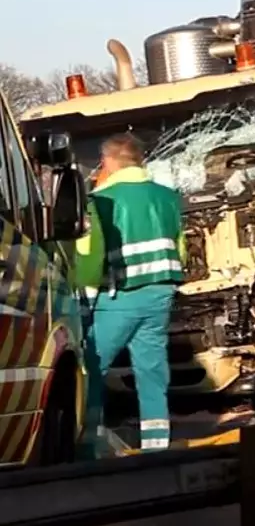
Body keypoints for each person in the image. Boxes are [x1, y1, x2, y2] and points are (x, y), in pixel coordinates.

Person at [75, 132, 185, 454]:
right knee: (151, 370)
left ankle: (89, 444)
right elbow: (181, 250)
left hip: (120, 296)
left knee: (92, 368)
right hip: (160, 294)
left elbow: (91, 258)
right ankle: (156, 447)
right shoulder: (169, 197)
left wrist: (85, 301)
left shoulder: (101, 201)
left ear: (107, 162)